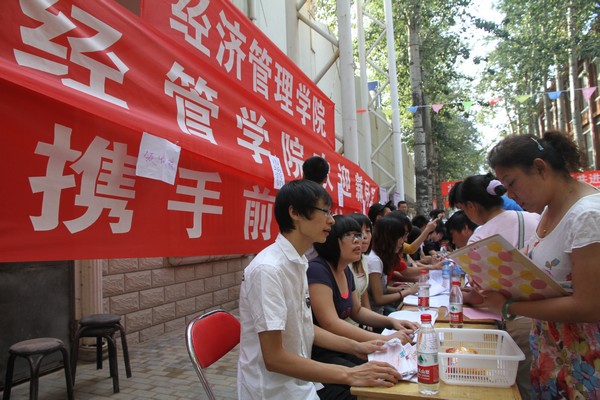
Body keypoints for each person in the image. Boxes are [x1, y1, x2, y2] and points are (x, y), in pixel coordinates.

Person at [238, 180, 402, 400]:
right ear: (295, 213)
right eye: (325, 211)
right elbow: (274, 358)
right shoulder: (268, 270)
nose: (331, 220)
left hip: (302, 381)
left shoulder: (298, 262)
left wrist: (358, 346)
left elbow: (305, 328)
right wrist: (350, 374)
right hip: (274, 391)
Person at [482, 131, 600, 399]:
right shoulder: (549, 210)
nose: (511, 195)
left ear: (540, 168)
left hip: (585, 361)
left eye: (512, 183)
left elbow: (590, 305)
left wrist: (508, 307)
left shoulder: (588, 216)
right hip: (553, 352)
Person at [458, 172, 541, 400]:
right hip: (549, 316)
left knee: (521, 386)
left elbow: (482, 294)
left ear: (471, 206)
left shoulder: (480, 237)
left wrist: (464, 296)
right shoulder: (535, 219)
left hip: (516, 318)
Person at [308, 215, 418, 351]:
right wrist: (385, 339)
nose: (358, 241)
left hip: (348, 345)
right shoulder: (317, 270)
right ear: (331, 239)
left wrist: (392, 321)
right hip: (328, 350)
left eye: (358, 235)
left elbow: (357, 311)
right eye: (349, 235)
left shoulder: (345, 269)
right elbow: (330, 323)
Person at [366, 215, 420, 315]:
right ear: (389, 237)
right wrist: (408, 292)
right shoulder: (374, 260)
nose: (404, 241)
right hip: (376, 315)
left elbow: (379, 289)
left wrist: (401, 289)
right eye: (401, 237)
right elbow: (379, 299)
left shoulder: (381, 257)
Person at [346, 213, 374, 317]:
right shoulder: (344, 264)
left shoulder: (363, 259)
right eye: (359, 233)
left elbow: (363, 294)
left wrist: (370, 321)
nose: (365, 236)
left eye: (368, 231)